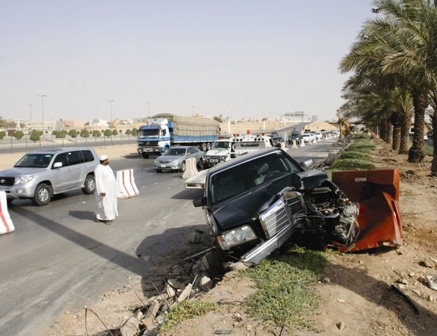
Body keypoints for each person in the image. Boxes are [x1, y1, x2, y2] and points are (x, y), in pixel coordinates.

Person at [94, 154, 118, 225]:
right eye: (107, 159)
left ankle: (101, 217)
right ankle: (107, 219)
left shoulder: (107, 166)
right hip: (105, 191)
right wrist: (102, 191)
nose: (109, 160)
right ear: (104, 161)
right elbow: (99, 181)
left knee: (108, 204)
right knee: (105, 205)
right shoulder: (98, 169)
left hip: (110, 190)